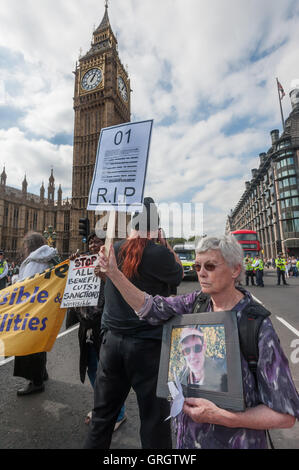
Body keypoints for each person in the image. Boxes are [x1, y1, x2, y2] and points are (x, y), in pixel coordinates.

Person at [97, 234, 299, 449]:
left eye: (210, 266)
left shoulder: (257, 326)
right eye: (198, 266)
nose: (201, 273)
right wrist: (114, 273)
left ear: (235, 270)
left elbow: (285, 415)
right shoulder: (196, 302)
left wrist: (223, 417)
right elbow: (149, 308)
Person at [84, 197, 183, 449]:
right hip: (147, 347)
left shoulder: (114, 250)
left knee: (102, 419)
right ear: (156, 227)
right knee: (154, 422)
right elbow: (179, 273)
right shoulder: (159, 253)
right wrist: (166, 244)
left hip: (111, 344)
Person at [68, 232, 126, 428]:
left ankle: (118, 414)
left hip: (104, 325)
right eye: (91, 242)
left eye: (98, 242)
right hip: (86, 327)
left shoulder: (113, 264)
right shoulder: (82, 261)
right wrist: (72, 265)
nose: (93, 245)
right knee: (92, 367)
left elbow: (120, 290)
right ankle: (102, 406)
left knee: (108, 371)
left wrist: (105, 276)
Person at [14, 232, 59, 396]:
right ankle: (42, 374)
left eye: (25, 246)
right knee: (39, 345)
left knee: (30, 347)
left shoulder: (34, 261)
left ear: (30, 246)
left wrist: (14, 283)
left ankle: (36, 382)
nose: (24, 249)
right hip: (44, 309)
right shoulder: (48, 256)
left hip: (33, 310)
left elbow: (27, 285)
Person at [178, 327, 227, 392]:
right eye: (187, 351)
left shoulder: (222, 373)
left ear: (204, 347)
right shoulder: (182, 377)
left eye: (197, 348)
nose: (192, 356)